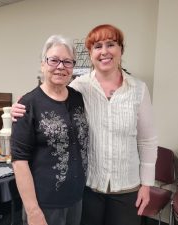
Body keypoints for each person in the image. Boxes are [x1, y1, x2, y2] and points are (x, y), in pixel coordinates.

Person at [11, 24, 157, 225]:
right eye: (97, 46)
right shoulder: (80, 87)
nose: (104, 51)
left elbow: (147, 141)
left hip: (127, 187)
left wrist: (147, 184)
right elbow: (48, 93)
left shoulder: (138, 89)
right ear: (90, 54)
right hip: (89, 189)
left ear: (121, 49)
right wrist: (19, 106)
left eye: (111, 44)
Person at [11, 35, 89, 225]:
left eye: (67, 61)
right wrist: (33, 211)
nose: (61, 66)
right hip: (44, 204)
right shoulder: (28, 104)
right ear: (43, 64)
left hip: (76, 198)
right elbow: (19, 161)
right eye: (54, 60)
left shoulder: (78, 98)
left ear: (73, 67)